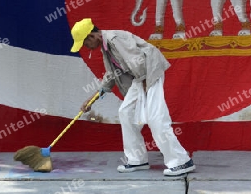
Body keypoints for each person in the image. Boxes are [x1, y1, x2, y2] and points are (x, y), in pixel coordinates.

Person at [70, 18, 195, 176]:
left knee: (156, 117)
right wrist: (92, 99)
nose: (86, 47)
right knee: (126, 112)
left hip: (149, 72)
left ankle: (181, 161)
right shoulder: (105, 46)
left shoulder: (115, 39)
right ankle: (137, 160)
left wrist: (144, 82)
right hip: (140, 77)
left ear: (92, 36)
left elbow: (137, 60)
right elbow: (111, 76)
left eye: (85, 43)